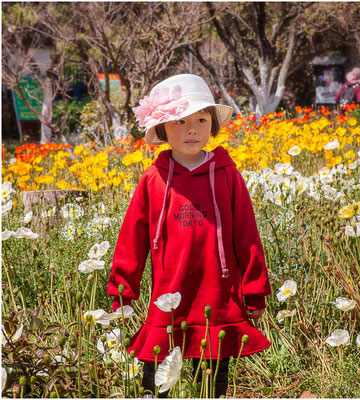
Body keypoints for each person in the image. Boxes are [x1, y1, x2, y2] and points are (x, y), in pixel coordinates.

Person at [107, 74, 272, 398]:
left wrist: (254, 289)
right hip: (169, 297)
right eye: (180, 121)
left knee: (211, 382)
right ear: (162, 129)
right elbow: (133, 238)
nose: (192, 129)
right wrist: (122, 290)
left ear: (213, 125)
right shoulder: (153, 180)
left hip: (218, 297)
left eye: (201, 119)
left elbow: (246, 234)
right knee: (157, 380)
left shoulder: (227, 175)